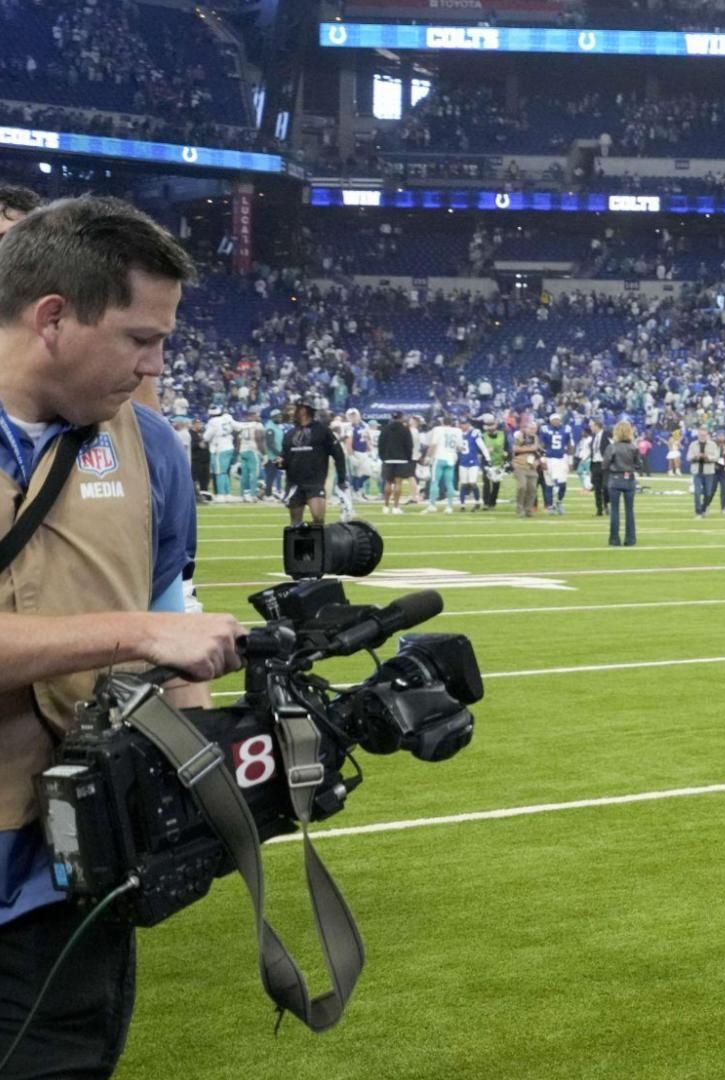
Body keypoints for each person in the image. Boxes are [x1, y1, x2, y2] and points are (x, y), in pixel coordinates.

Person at [0, 194, 246, 1077]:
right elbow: (149, 624)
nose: (155, 364)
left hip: (72, 882)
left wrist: (199, 771)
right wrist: (133, 632)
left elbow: (169, 603)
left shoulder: (150, 446)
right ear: (54, 318)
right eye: (141, 339)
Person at [279, 399, 345, 526]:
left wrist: (342, 479)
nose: (292, 413)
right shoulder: (290, 434)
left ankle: (317, 543)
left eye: (295, 409)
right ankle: (300, 544)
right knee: (295, 524)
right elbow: (285, 458)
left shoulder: (322, 431)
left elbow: (338, 454)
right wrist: (280, 463)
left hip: (314, 483)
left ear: (304, 411)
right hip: (294, 484)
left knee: (318, 519)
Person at [604, 421, 641, 546]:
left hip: (615, 479)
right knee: (629, 511)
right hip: (629, 479)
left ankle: (614, 539)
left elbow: (605, 465)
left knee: (615, 510)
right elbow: (639, 465)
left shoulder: (612, 447)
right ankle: (630, 539)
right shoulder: (634, 447)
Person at [378, 411, 412, 514]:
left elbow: (381, 444)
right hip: (401, 459)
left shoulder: (385, 429)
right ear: (401, 418)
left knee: (388, 482)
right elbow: (409, 445)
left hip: (388, 458)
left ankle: (386, 506)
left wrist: (383, 457)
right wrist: (408, 457)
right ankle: (396, 507)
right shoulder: (405, 430)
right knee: (398, 483)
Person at [686, 427, 723, 518]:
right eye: (701, 435)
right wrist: (696, 457)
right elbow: (688, 457)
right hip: (697, 471)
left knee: (708, 493)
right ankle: (698, 512)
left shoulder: (713, 445)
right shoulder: (693, 444)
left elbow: (716, 457)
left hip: (709, 471)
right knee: (697, 493)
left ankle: (703, 508)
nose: (702, 436)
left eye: (704, 435)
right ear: (698, 435)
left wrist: (707, 457)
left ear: (707, 435)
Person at [541, 411, 572, 514]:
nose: (556, 422)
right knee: (549, 484)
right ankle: (550, 506)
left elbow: (570, 444)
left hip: (561, 459)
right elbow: (541, 445)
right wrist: (542, 459)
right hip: (549, 459)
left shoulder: (566, 429)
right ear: (550, 421)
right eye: (554, 420)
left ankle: (559, 501)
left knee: (562, 484)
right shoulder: (545, 429)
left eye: (558, 420)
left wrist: (570, 460)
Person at [511, 416, 542, 517]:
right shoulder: (520, 436)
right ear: (526, 428)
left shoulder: (536, 438)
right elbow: (514, 449)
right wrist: (529, 448)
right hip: (520, 465)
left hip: (532, 467)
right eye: (531, 428)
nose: (533, 431)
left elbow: (538, 452)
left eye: (535, 429)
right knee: (522, 487)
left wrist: (537, 461)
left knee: (532, 489)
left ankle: (528, 508)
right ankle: (520, 508)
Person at [479, 414, 506, 510]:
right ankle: (486, 502)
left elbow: (507, 446)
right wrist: (485, 451)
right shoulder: (483, 436)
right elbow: (479, 449)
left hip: (499, 461)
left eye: (492, 424)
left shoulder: (502, 434)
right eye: (488, 425)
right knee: (486, 482)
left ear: (496, 425)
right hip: (487, 462)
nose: (490, 427)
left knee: (496, 483)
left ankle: (492, 501)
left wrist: (506, 453)